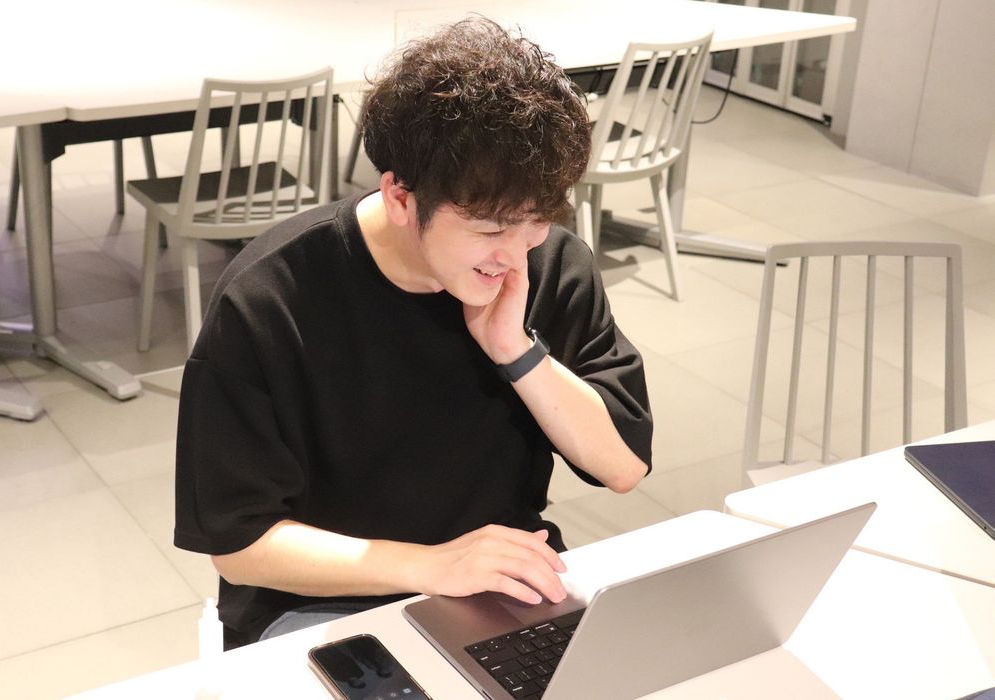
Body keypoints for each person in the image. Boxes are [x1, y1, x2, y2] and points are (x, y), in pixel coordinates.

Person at [174, 16, 653, 650]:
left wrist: (516, 351)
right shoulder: (269, 298)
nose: (516, 255)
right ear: (401, 198)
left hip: (497, 585)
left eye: (536, 221)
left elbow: (623, 466)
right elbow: (239, 545)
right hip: (322, 601)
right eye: (489, 229)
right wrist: (434, 567)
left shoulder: (552, 265)